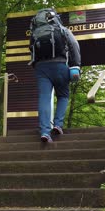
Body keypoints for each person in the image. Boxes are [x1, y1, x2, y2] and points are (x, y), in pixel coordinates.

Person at [29, 8, 81, 142]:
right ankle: (58, 125)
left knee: (44, 98)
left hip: (41, 68)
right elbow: (74, 44)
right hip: (59, 65)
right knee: (63, 95)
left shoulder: (35, 32)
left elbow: (31, 49)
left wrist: (37, 65)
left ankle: (45, 132)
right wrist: (75, 66)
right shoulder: (62, 29)